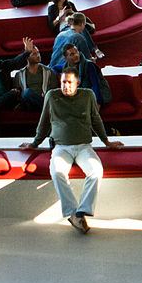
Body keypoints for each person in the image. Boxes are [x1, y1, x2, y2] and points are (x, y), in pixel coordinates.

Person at [20, 69, 123, 234]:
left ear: (78, 83)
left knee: (96, 171)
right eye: (63, 83)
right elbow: (44, 122)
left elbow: (96, 119)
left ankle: (83, 210)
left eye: (69, 83)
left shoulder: (87, 95)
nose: (65, 86)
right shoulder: (52, 97)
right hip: (61, 147)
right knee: (57, 172)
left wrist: (106, 141)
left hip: (84, 146)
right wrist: (34, 143)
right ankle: (73, 213)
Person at [12, 44, 56, 111]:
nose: (38, 55)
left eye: (38, 53)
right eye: (34, 54)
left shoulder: (48, 71)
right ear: (27, 57)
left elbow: (54, 89)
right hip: (27, 102)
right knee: (26, 93)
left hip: (43, 100)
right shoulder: (19, 74)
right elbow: (17, 93)